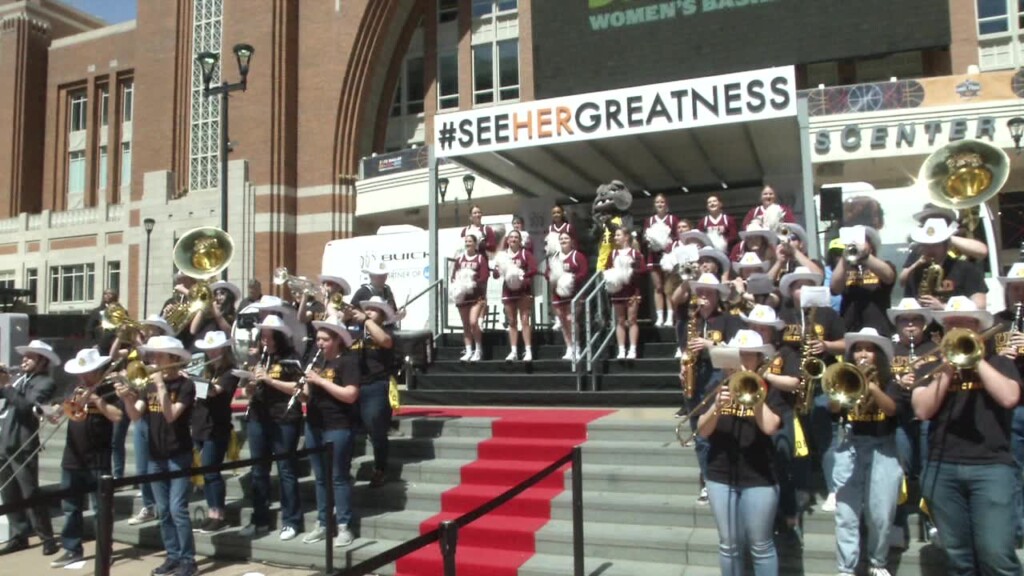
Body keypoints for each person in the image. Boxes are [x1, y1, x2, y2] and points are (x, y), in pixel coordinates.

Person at [913, 296, 1022, 575]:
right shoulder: (930, 368)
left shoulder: (998, 362)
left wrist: (976, 359)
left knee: (996, 554)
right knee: (958, 558)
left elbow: (1010, 397)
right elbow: (922, 410)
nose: (957, 330)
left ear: (978, 329)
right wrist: (947, 369)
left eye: (965, 325)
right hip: (943, 467)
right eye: (951, 325)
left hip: (991, 466)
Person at [696, 329, 786, 576]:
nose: (743, 360)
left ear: (758, 359)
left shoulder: (770, 388)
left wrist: (754, 393)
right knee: (728, 545)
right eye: (739, 354)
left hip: (759, 476)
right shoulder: (718, 386)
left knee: (761, 545)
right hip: (720, 474)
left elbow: (770, 427)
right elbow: (703, 431)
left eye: (749, 355)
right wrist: (716, 407)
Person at [117, 335, 197, 576]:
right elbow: (135, 415)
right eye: (153, 356)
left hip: (178, 453)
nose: (154, 360)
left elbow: (171, 415)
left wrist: (161, 386)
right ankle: (172, 557)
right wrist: (127, 398)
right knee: (163, 510)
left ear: (172, 358)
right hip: (155, 454)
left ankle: (188, 561)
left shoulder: (186, 385)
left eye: (159, 356)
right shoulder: (148, 385)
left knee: (177, 509)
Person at [830, 328, 903, 576]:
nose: (862, 354)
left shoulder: (890, 380)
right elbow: (834, 407)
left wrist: (872, 387)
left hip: (883, 446)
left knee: (880, 512)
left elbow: (892, 410)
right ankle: (846, 568)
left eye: (869, 349)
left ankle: (877, 562)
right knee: (846, 513)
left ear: (878, 355)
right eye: (858, 349)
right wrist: (847, 385)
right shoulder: (844, 376)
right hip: (849, 444)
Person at [776, 266, 846, 512]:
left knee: (826, 438)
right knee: (799, 441)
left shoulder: (827, 313)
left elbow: (846, 343)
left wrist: (826, 345)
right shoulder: (783, 314)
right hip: (789, 387)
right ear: (790, 291)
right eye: (798, 286)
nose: (803, 289)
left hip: (821, 385)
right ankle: (802, 490)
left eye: (808, 284)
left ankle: (834, 489)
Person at [48, 348, 123, 568]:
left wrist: (96, 399)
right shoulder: (74, 388)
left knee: (101, 509)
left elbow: (118, 416)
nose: (82, 376)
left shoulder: (109, 390)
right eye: (80, 372)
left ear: (97, 370)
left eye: (86, 372)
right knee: (71, 507)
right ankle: (72, 549)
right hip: (72, 456)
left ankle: (104, 550)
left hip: (98, 458)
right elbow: (64, 410)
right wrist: (54, 413)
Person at [671, 272, 741, 503]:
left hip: (719, 379)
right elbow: (684, 350)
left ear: (717, 296)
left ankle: (724, 478)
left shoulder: (728, 320)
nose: (702, 297)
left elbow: (736, 353)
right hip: (695, 380)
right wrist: (683, 367)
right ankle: (708, 481)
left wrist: (710, 344)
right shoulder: (691, 320)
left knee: (720, 433)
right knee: (700, 437)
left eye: (708, 293)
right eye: (699, 292)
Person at [240, 314, 305, 541]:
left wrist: (270, 380)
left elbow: (301, 390)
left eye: (269, 337)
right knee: (259, 470)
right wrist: (249, 387)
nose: (265, 341)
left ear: (279, 337)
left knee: (286, 469)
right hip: (259, 416)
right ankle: (260, 519)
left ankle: (291, 520)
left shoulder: (291, 358)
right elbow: (247, 390)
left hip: (284, 417)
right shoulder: (259, 358)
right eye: (263, 337)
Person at [741, 305, 804, 540]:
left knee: (782, 467)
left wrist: (766, 374)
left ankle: (789, 518)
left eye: (764, 328)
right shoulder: (744, 352)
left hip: (781, 414)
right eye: (755, 327)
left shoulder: (785, 353)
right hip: (750, 415)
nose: (759, 331)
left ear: (772, 331)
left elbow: (795, 383)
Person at [301, 317, 360, 547]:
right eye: (318, 339)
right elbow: (308, 395)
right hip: (315, 423)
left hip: (338, 425)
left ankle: (344, 526)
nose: (320, 343)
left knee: (338, 477)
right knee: (320, 478)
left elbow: (351, 395)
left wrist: (321, 381)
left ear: (337, 340)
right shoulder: (316, 361)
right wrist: (301, 390)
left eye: (325, 339)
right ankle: (323, 523)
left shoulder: (348, 362)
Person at [0, 339, 59, 556]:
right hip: (5, 441)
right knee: (9, 494)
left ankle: (47, 537)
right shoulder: (19, 380)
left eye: (30, 357)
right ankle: (19, 534)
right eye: (24, 356)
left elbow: (27, 407)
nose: (24, 360)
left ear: (42, 362)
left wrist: (7, 385)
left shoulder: (45, 383)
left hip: (23, 443)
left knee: (30, 493)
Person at [191, 331, 240, 533]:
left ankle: (219, 514)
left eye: (215, 349)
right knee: (205, 472)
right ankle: (212, 511)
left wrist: (191, 379)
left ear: (224, 350)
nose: (211, 353)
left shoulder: (230, 372)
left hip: (216, 427)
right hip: (200, 424)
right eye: (209, 350)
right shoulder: (207, 370)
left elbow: (214, 391)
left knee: (212, 471)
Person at [352, 296, 396, 489]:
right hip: (354, 385)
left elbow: (385, 342)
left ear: (383, 315)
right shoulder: (356, 331)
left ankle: (380, 468)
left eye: (374, 309)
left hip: (376, 384)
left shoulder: (387, 330)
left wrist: (366, 321)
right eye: (367, 309)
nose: (368, 311)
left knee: (375, 426)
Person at [994, 262, 1024, 548]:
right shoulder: (996, 323)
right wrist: (1000, 358)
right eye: (1014, 289)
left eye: (1023, 289)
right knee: (1013, 470)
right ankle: (1017, 529)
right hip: (1010, 408)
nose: (1019, 294)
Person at [900, 218, 987, 311]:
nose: (930, 249)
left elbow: (980, 306)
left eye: (936, 245)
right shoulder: (916, 271)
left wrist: (943, 307)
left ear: (947, 246)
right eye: (926, 245)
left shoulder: (966, 269)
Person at [829, 226, 896, 337]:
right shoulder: (845, 269)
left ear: (871, 245)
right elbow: (834, 289)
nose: (856, 244)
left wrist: (865, 256)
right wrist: (845, 257)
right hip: (850, 329)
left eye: (860, 241)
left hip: (879, 329)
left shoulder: (884, 265)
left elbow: (889, 276)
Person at [493, 230, 538, 362]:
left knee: (525, 320)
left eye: (516, 237)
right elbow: (495, 275)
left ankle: (528, 351)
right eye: (511, 237)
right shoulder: (502, 255)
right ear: (507, 240)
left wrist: (523, 276)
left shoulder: (525, 254)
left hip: (523, 291)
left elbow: (533, 269)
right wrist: (497, 271)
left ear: (520, 240)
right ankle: (513, 351)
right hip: (508, 291)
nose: (513, 239)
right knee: (511, 321)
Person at [605, 227, 646, 359]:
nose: (615, 237)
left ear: (626, 237)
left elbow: (643, 270)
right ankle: (621, 349)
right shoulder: (613, 254)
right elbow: (607, 269)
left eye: (618, 235)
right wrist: (613, 276)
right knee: (620, 320)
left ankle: (633, 349)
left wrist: (630, 271)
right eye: (615, 235)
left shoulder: (635, 253)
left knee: (632, 319)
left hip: (632, 290)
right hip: (618, 291)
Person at [548, 231, 589, 361]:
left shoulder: (578, 256)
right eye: (561, 239)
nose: (563, 240)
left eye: (566, 238)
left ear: (571, 241)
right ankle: (569, 348)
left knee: (571, 320)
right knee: (563, 322)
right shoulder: (554, 257)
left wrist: (570, 279)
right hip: (558, 294)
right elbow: (548, 273)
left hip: (574, 294)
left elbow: (584, 272)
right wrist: (554, 278)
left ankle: (577, 347)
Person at [451, 232, 489, 362]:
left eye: (470, 241)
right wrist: (459, 286)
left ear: (475, 244)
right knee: (466, 325)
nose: (468, 243)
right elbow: (454, 276)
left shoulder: (480, 258)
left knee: (473, 322)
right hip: (463, 297)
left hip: (476, 297)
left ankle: (478, 350)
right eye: (466, 241)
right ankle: (468, 351)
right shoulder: (460, 259)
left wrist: (471, 283)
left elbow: (484, 276)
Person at [643, 193, 679, 327]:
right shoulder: (649, 220)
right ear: (654, 205)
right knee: (658, 287)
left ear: (666, 204)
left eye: (662, 202)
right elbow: (645, 238)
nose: (660, 204)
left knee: (668, 287)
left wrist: (666, 244)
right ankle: (660, 317)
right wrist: (651, 241)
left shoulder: (672, 219)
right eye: (657, 202)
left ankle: (670, 317)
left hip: (668, 256)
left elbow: (677, 237)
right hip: (653, 256)